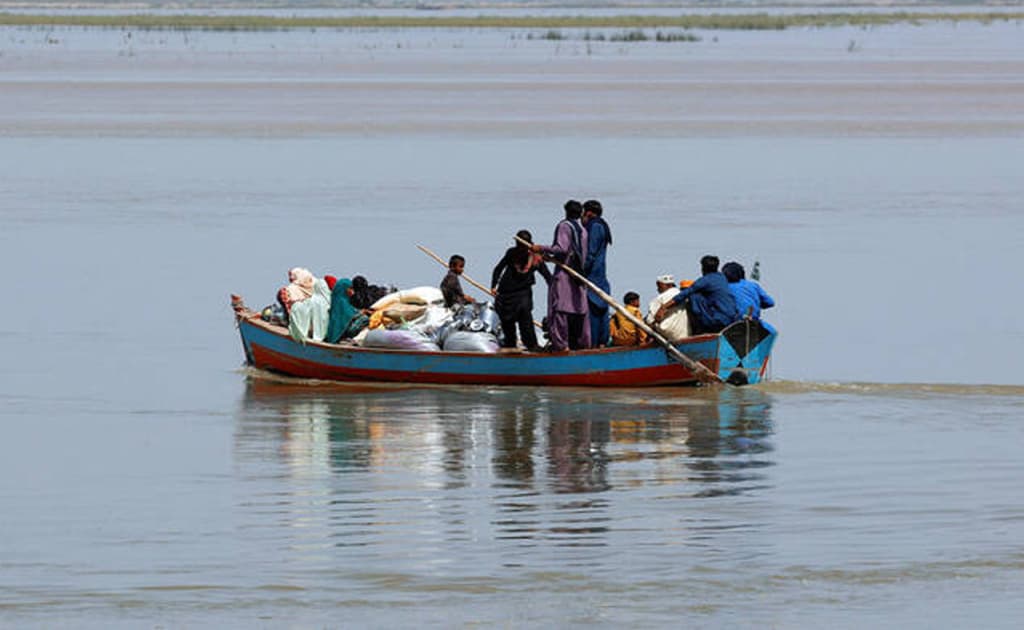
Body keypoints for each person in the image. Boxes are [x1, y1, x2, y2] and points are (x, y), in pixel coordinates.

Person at [531, 200, 590, 351]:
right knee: (580, 310)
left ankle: (561, 346)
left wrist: (540, 247)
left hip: (566, 274)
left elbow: (562, 249)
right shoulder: (583, 231)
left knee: (559, 310)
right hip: (578, 275)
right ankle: (583, 345)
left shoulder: (564, 226)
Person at [491, 230, 552, 351]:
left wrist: (555, 289)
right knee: (507, 321)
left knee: (526, 320)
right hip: (506, 293)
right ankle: (510, 345)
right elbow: (498, 269)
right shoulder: (511, 253)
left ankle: (532, 346)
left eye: (522, 246)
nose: (520, 248)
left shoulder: (535, 258)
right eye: (518, 245)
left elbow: (547, 275)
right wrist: (493, 286)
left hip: (523, 294)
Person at [656, 255, 738, 334]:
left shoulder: (705, 280)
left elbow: (684, 294)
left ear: (703, 268)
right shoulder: (721, 278)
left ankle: (699, 330)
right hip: (731, 318)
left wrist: (664, 307)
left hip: (719, 319)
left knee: (694, 296)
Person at [582, 199, 612, 347]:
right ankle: (601, 342)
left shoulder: (594, 226)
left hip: (593, 277)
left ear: (588, 212)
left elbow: (591, 253)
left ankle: (594, 344)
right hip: (599, 277)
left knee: (593, 313)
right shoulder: (602, 225)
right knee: (601, 310)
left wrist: (581, 270)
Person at [645, 274, 690, 342]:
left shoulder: (660, 298)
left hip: (668, 335)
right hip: (686, 333)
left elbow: (649, 321)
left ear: (666, 285)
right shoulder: (682, 295)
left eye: (659, 286)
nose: (657, 289)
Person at [326, 278, 370, 343]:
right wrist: (361, 313)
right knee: (365, 318)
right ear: (344, 289)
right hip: (342, 331)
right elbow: (349, 315)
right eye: (350, 288)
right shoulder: (342, 302)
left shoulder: (338, 299)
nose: (352, 292)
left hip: (336, 331)